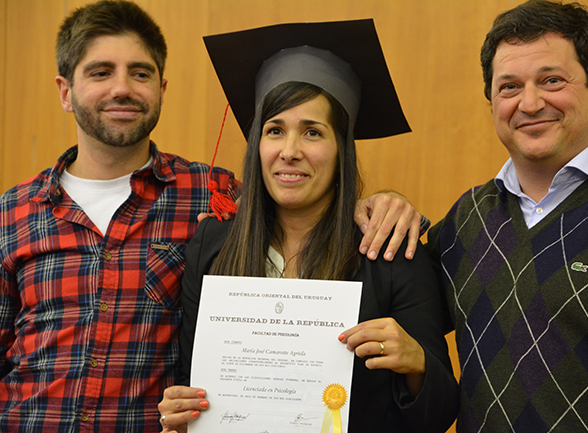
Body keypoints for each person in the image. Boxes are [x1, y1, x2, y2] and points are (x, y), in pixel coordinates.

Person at [0, 1, 421, 431]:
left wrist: (380, 204)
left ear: (162, 88)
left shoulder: (211, 193)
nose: (122, 88)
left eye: (140, 73)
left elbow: (298, 193)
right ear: (65, 91)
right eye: (100, 72)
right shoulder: (11, 214)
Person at [158, 19, 459, 433]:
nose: (290, 151)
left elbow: (439, 415)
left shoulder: (389, 251)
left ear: (341, 150)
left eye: (313, 132)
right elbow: (193, 382)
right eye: (275, 130)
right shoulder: (212, 245)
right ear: (257, 145)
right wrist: (180, 411)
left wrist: (417, 363)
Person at [426, 0, 588, 432]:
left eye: (551, 80)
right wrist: (381, 205)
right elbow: (399, 316)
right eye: (509, 87)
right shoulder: (465, 221)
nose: (529, 103)